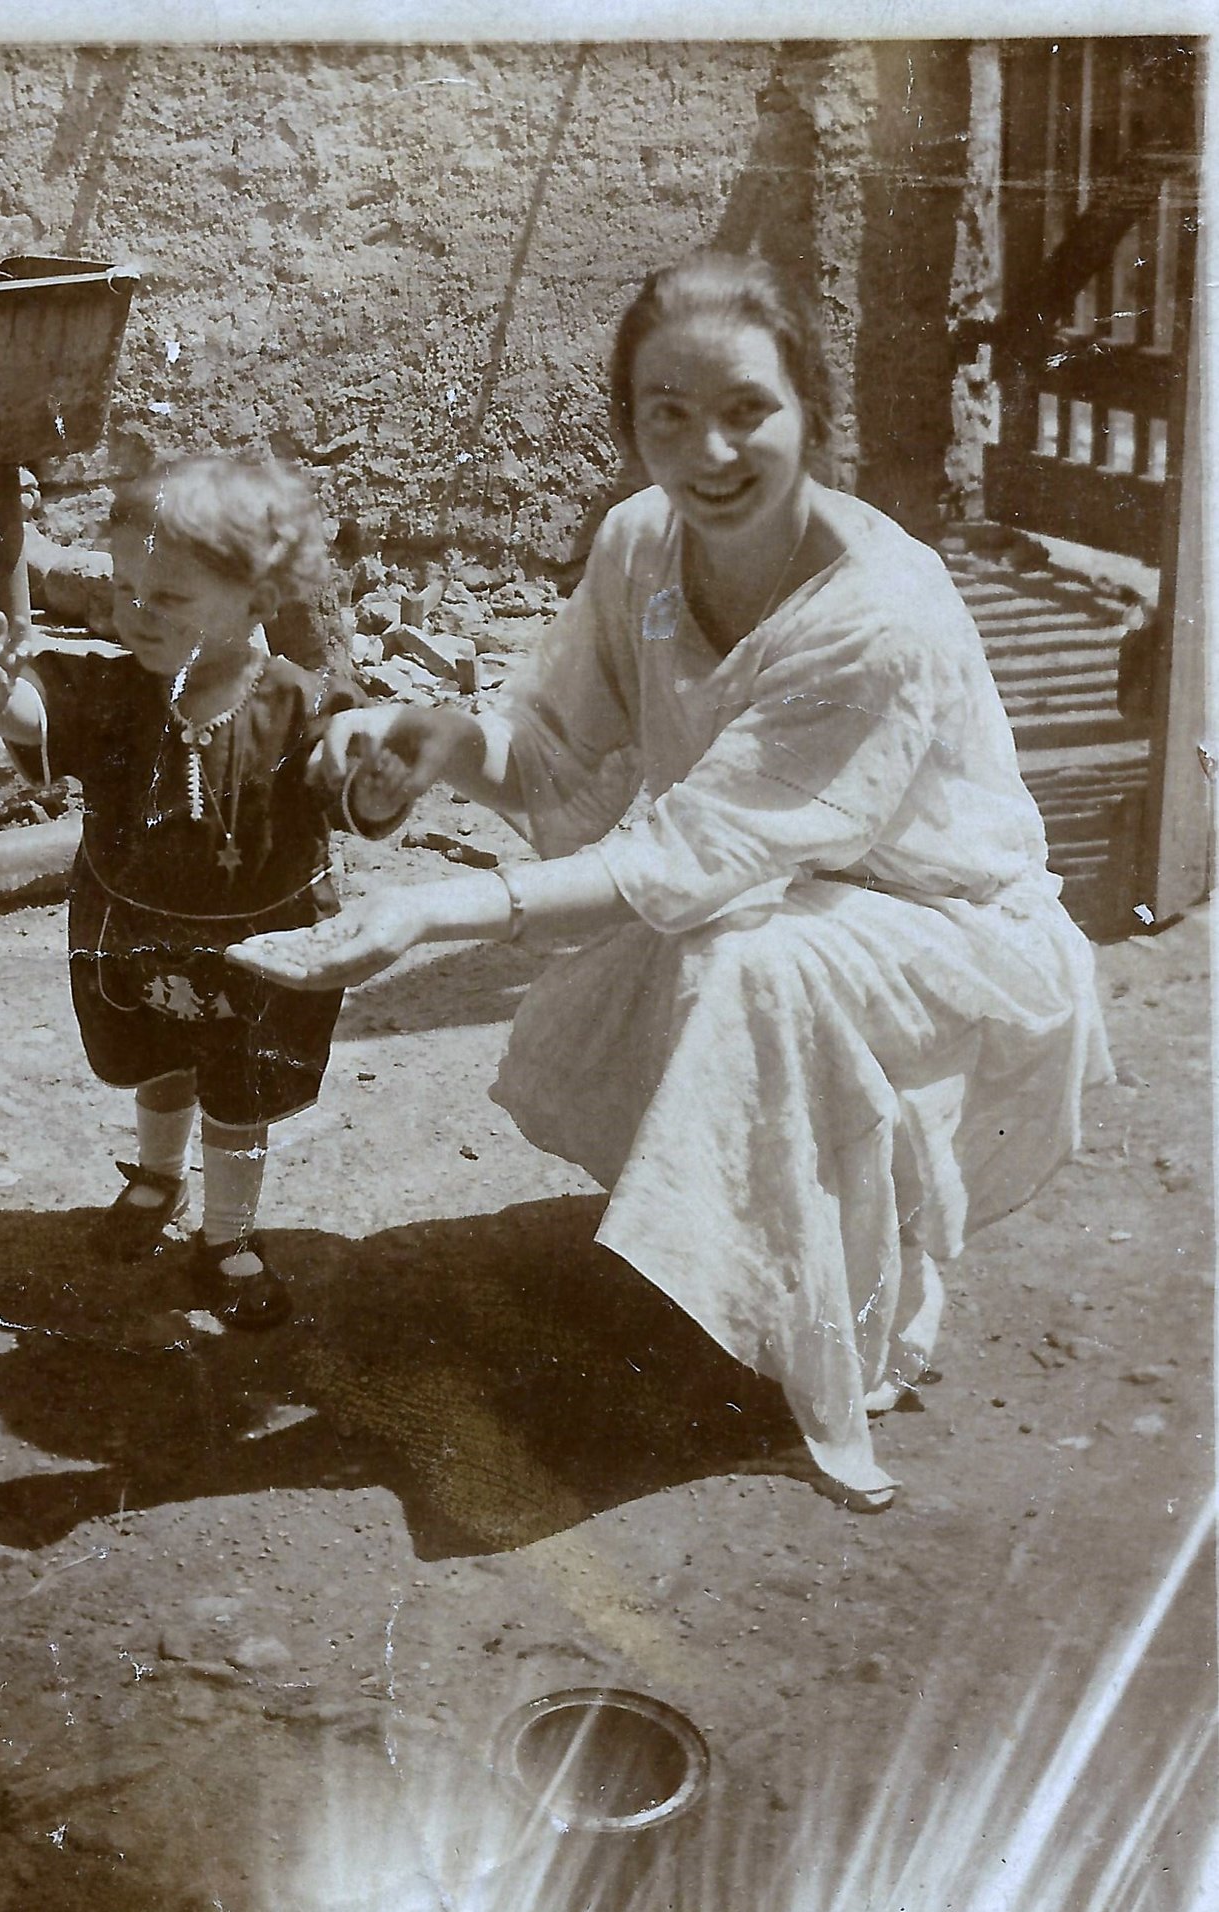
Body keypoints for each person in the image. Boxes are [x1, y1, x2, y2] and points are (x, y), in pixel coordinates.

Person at [228, 252, 1112, 1505]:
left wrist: (432, 909)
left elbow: (695, 853)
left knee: (748, 963)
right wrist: (436, 739)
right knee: (727, 944)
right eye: (669, 415)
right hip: (775, 891)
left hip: (950, 931)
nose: (711, 453)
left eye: (748, 409)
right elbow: (557, 755)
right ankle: (768, 1270)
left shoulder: (878, 612)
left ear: (813, 410)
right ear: (629, 424)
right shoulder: (642, 543)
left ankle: (849, 1325)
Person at [0, 454, 405, 1331]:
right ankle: (158, 1178)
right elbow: (46, 712)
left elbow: (352, 797)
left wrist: (381, 789)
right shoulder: (117, 690)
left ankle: (227, 1237)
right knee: (157, 1062)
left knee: (239, 1092)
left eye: (167, 596)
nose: (135, 613)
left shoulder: (302, 705)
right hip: (135, 930)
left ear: (257, 599)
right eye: (124, 589)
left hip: (259, 945)